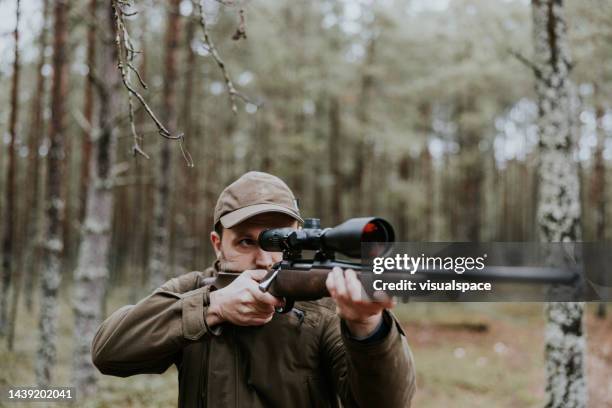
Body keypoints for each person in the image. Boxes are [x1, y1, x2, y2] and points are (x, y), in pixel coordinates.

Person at [92, 171, 416, 407]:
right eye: (246, 241)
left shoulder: (324, 309)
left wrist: (366, 327)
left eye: (279, 240)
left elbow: (387, 403)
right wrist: (211, 308)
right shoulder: (195, 290)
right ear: (217, 244)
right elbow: (109, 352)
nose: (263, 258)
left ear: (299, 236)